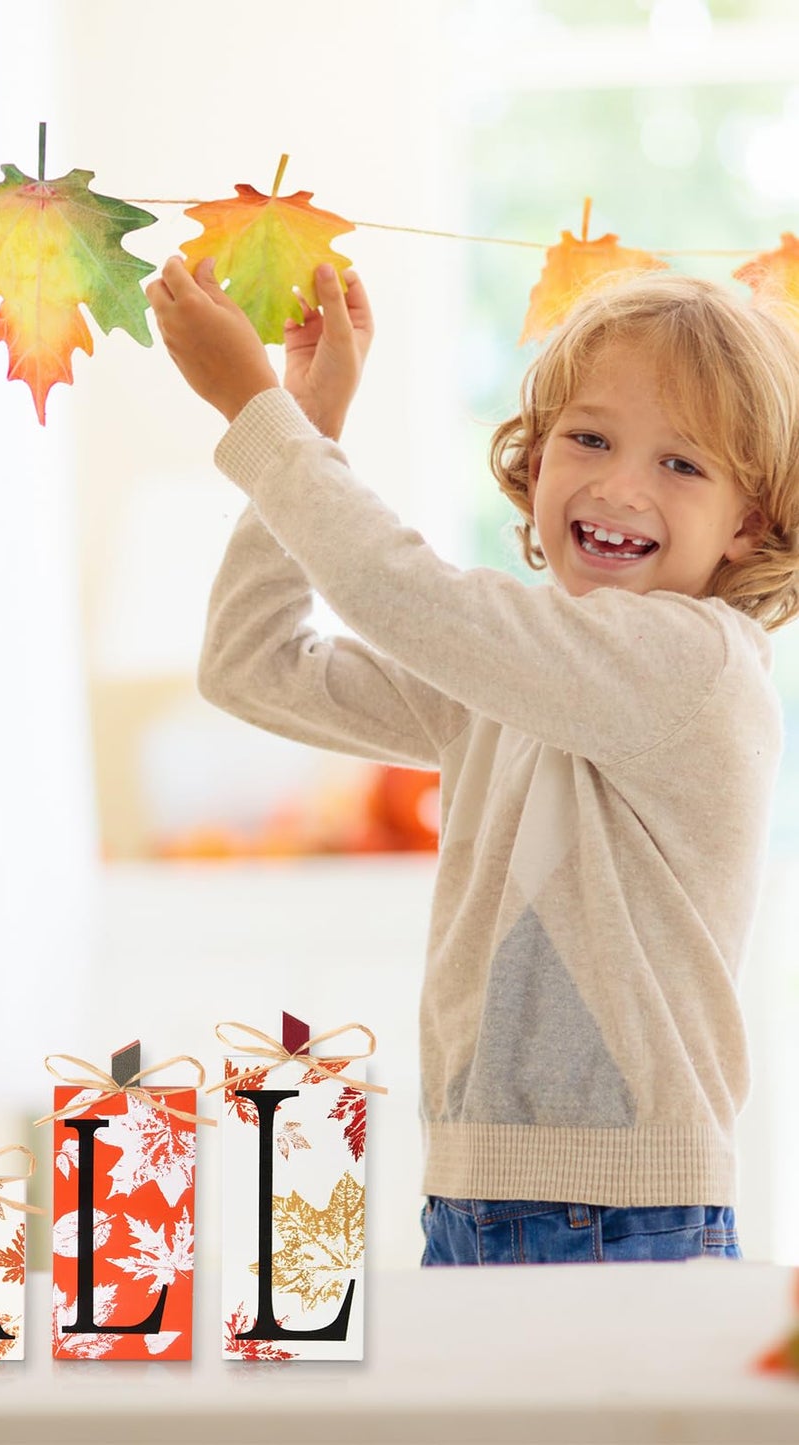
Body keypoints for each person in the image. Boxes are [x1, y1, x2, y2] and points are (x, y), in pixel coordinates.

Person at [145, 253, 799, 1265]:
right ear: (533, 465)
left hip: (619, 1213)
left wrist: (257, 410)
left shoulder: (691, 664)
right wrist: (308, 425)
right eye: (587, 438)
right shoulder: (517, 680)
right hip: (466, 1193)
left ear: (745, 522)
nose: (621, 484)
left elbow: (390, 588)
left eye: (681, 463)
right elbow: (252, 665)